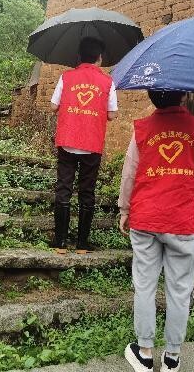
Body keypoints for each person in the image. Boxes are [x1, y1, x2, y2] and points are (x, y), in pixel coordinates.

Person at [119, 90, 194, 372]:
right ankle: (172, 358)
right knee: (180, 290)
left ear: (152, 98)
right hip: (182, 221)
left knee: (145, 285)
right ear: (181, 98)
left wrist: (124, 209)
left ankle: (143, 352)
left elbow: (129, 173)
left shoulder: (142, 128)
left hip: (145, 218)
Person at [49, 36, 117, 253]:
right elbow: (113, 114)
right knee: (87, 191)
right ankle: (82, 244)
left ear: (79, 56)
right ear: (99, 58)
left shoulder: (66, 77)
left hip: (67, 141)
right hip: (91, 144)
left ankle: (60, 242)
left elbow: (52, 106)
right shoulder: (108, 81)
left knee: (64, 188)